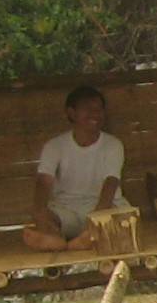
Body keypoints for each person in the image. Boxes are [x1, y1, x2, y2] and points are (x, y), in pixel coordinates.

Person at [23, 86, 126, 251]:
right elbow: (43, 182)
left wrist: (97, 218)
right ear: (71, 113)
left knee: (116, 218)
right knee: (43, 217)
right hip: (67, 210)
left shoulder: (113, 145)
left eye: (99, 109)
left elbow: (111, 183)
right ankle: (59, 239)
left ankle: (84, 238)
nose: (95, 114)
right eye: (88, 109)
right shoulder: (54, 146)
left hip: (103, 207)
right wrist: (40, 212)